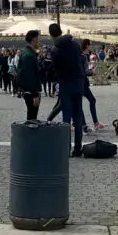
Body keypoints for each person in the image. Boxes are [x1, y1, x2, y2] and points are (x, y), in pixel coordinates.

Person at [49, 22, 86, 158]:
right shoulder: (75, 44)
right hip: (78, 81)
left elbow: (56, 69)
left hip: (65, 83)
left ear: (51, 35)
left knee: (67, 117)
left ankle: (66, 148)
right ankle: (78, 148)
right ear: (61, 30)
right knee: (78, 116)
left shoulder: (54, 50)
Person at [16, 30, 42, 121]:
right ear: (34, 39)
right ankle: (30, 135)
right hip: (31, 92)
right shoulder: (29, 55)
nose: (39, 41)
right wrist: (35, 94)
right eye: (38, 38)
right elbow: (30, 75)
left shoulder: (26, 53)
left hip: (28, 91)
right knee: (32, 117)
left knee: (31, 116)